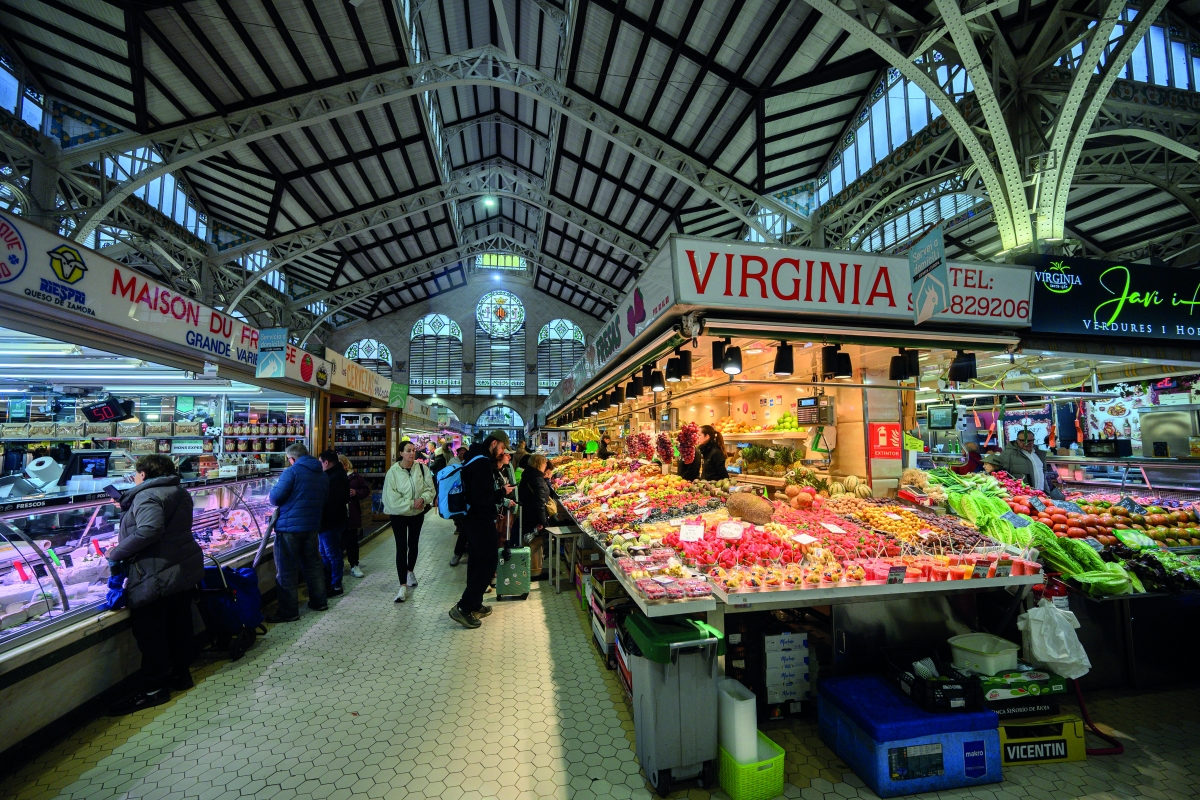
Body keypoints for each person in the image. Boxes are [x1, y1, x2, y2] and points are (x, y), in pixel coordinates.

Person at [106, 455, 203, 714]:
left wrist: (116, 553)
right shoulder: (178, 491)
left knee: (151, 634)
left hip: (154, 572)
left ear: (144, 474)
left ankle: (153, 690)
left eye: (136, 474)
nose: (135, 478)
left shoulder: (147, 495)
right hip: (179, 567)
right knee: (178, 626)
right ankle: (180, 675)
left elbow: (149, 530)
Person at [450, 433, 511, 628]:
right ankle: (464, 607)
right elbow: (481, 497)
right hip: (480, 518)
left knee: (476, 561)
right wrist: (502, 492)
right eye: (502, 448)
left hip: (472, 518)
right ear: (493, 443)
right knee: (488, 561)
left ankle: (475, 604)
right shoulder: (482, 462)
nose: (502, 452)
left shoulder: (475, 457)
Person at [267, 443, 329, 623]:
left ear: (292, 459)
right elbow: (324, 498)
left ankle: (288, 612)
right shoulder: (322, 474)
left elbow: (275, 498)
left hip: (289, 528)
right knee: (313, 565)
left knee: (286, 570)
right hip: (312, 526)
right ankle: (319, 602)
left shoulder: (291, 472)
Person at [383, 440, 435, 603]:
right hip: (399, 515)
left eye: (413, 450)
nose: (412, 453)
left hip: (416, 514)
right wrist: (412, 503)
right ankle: (402, 586)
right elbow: (391, 499)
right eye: (408, 450)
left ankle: (410, 571)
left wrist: (423, 498)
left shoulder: (422, 468)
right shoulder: (393, 472)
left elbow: (430, 489)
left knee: (413, 543)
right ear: (401, 453)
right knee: (401, 547)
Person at [317, 450, 350, 596]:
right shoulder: (336, 474)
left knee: (332, 555)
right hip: (331, 522)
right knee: (326, 554)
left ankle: (336, 585)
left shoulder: (335, 477)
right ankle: (329, 583)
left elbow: (332, 502)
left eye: (320, 462)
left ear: (326, 462)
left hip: (330, 522)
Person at [519, 453, 552, 575]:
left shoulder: (527, 475)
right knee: (536, 543)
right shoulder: (537, 479)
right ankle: (535, 571)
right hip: (534, 515)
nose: (545, 466)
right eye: (544, 463)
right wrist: (543, 521)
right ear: (539, 464)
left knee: (529, 541)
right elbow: (540, 503)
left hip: (527, 513)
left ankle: (529, 569)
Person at [984, 430, 1050, 491]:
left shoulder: (1039, 454)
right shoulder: (1008, 454)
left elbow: (1043, 475)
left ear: (1034, 440)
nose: (1026, 443)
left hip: (1041, 493)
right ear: (1017, 440)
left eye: (1030, 441)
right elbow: (1000, 474)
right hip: (1021, 493)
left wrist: (1047, 491)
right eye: (1022, 441)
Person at [340, 455, 370, 579]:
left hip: (351, 514)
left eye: (342, 464)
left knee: (352, 541)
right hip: (337, 515)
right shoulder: (333, 476)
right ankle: (339, 565)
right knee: (337, 542)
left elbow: (366, 490)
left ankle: (354, 565)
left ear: (347, 464)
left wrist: (356, 492)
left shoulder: (355, 477)